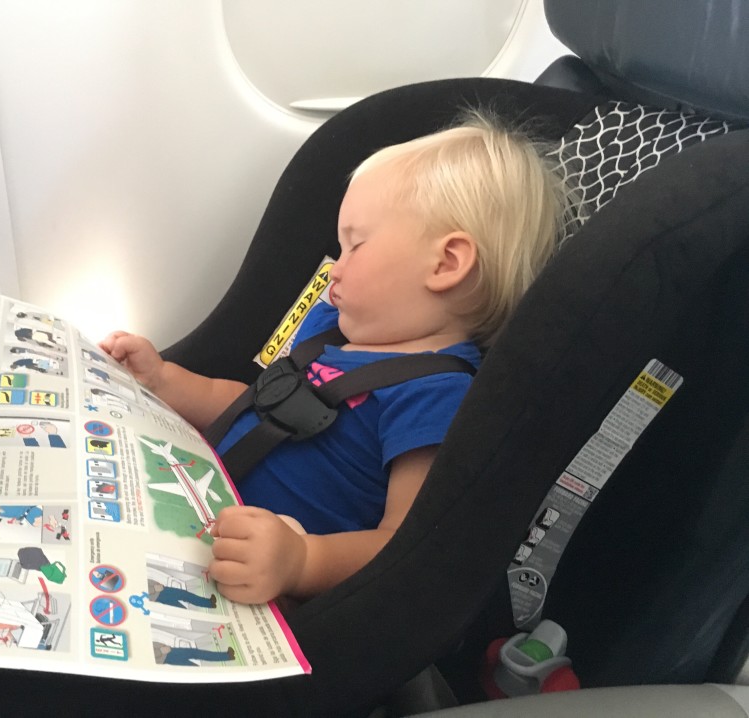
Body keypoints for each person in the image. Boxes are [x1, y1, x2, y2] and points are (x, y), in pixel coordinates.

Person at [100, 111, 572, 605]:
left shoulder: (436, 395)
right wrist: (165, 380)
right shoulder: (329, 331)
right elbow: (255, 406)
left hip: (264, 581)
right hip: (192, 506)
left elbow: (402, 545)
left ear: (445, 264)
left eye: (355, 246)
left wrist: (302, 561)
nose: (334, 271)